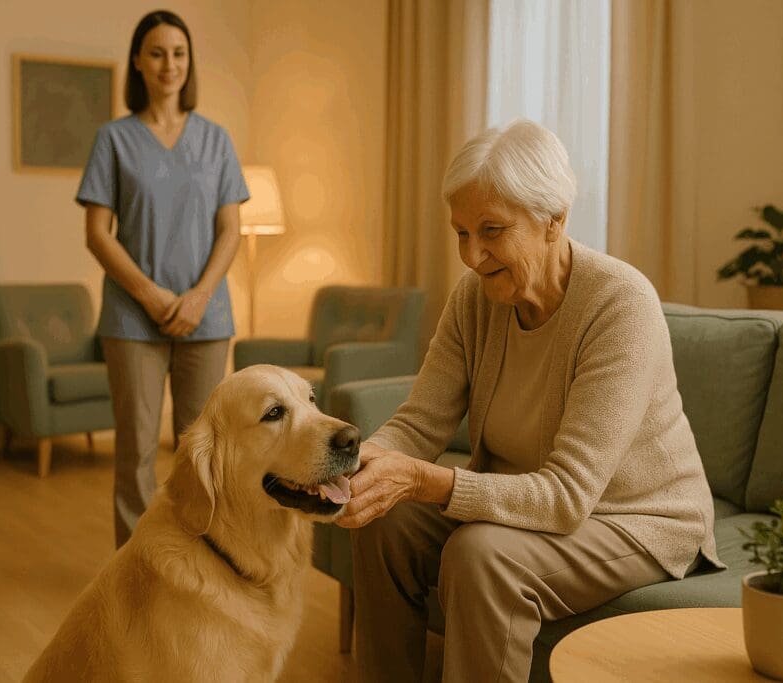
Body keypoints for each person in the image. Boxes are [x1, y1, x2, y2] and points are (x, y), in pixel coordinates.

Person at [339, 119, 723, 681]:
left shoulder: (620, 305)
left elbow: (568, 497)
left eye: (491, 230)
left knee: (481, 557)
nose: (471, 255)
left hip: (631, 519)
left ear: (554, 220)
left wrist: (423, 480)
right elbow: (419, 424)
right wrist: (361, 467)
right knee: (382, 518)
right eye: (461, 233)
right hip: (520, 505)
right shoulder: (474, 298)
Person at [76, 10, 248, 548]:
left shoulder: (217, 141)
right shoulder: (113, 139)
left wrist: (198, 296)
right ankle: (136, 568)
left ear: (188, 61)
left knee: (203, 452)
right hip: (132, 319)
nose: (169, 63)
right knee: (135, 452)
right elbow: (98, 234)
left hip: (206, 315)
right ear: (138, 62)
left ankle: (201, 557)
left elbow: (230, 230)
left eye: (178, 52)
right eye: (156, 52)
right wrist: (151, 296)